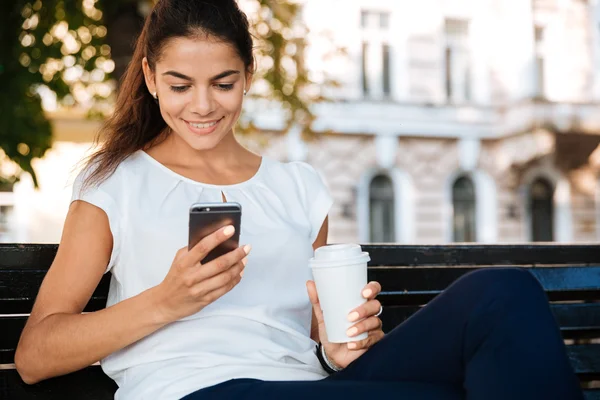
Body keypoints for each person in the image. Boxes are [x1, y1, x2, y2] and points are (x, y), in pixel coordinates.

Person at [15, 1, 584, 399]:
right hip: (195, 389)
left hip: (308, 385)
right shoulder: (114, 182)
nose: (203, 105)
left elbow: (321, 346)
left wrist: (342, 346)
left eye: (223, 82)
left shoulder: (298, 187)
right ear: (150, 77)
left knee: (504, 291)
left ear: (248, 75)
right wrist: (166, 301)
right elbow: (35, 354)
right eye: (180, 84)